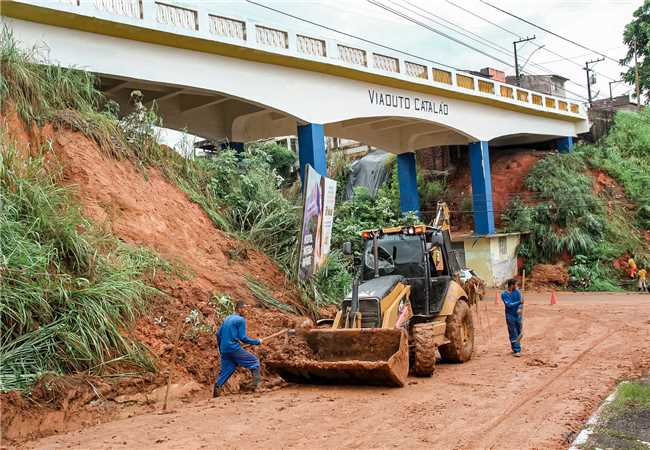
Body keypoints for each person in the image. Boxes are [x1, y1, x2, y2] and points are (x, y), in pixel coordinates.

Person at [213, 301, 263, 398]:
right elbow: (243, 338)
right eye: (244, 309)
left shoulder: (227, 318)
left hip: (224, 349)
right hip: (233, 348)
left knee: (229, 368)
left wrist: (221, 348)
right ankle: (256, 387)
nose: (246, 311)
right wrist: (257, 342)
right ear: (239, 309)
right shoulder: (240, 320)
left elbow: (218, 334)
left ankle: (217, 389)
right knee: (254, 361)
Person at [501, 278, 523, 357]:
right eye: (516, 285)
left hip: (518, 315)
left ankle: (515, 347)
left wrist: (520, 307)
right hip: (510, 316)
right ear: (512, 285)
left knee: (519, 332)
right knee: (513, 332)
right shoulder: (504, 294)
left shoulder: (517, 292)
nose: (517, 286)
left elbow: (521, 302)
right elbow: (509, 305)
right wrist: (518, 302)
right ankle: (517, 350)